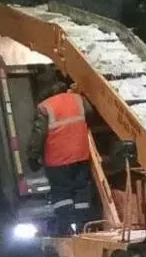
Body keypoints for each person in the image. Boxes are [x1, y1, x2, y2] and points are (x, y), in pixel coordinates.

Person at [26, 79, 97, 236]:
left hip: (57, 159)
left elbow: (39, 134)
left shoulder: (44, 107)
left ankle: (66, 228)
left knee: (62, 193)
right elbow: (90, 115)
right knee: (81, 190)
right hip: (81, 154)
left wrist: (33, 156)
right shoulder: (78, 100)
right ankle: (83, 226)